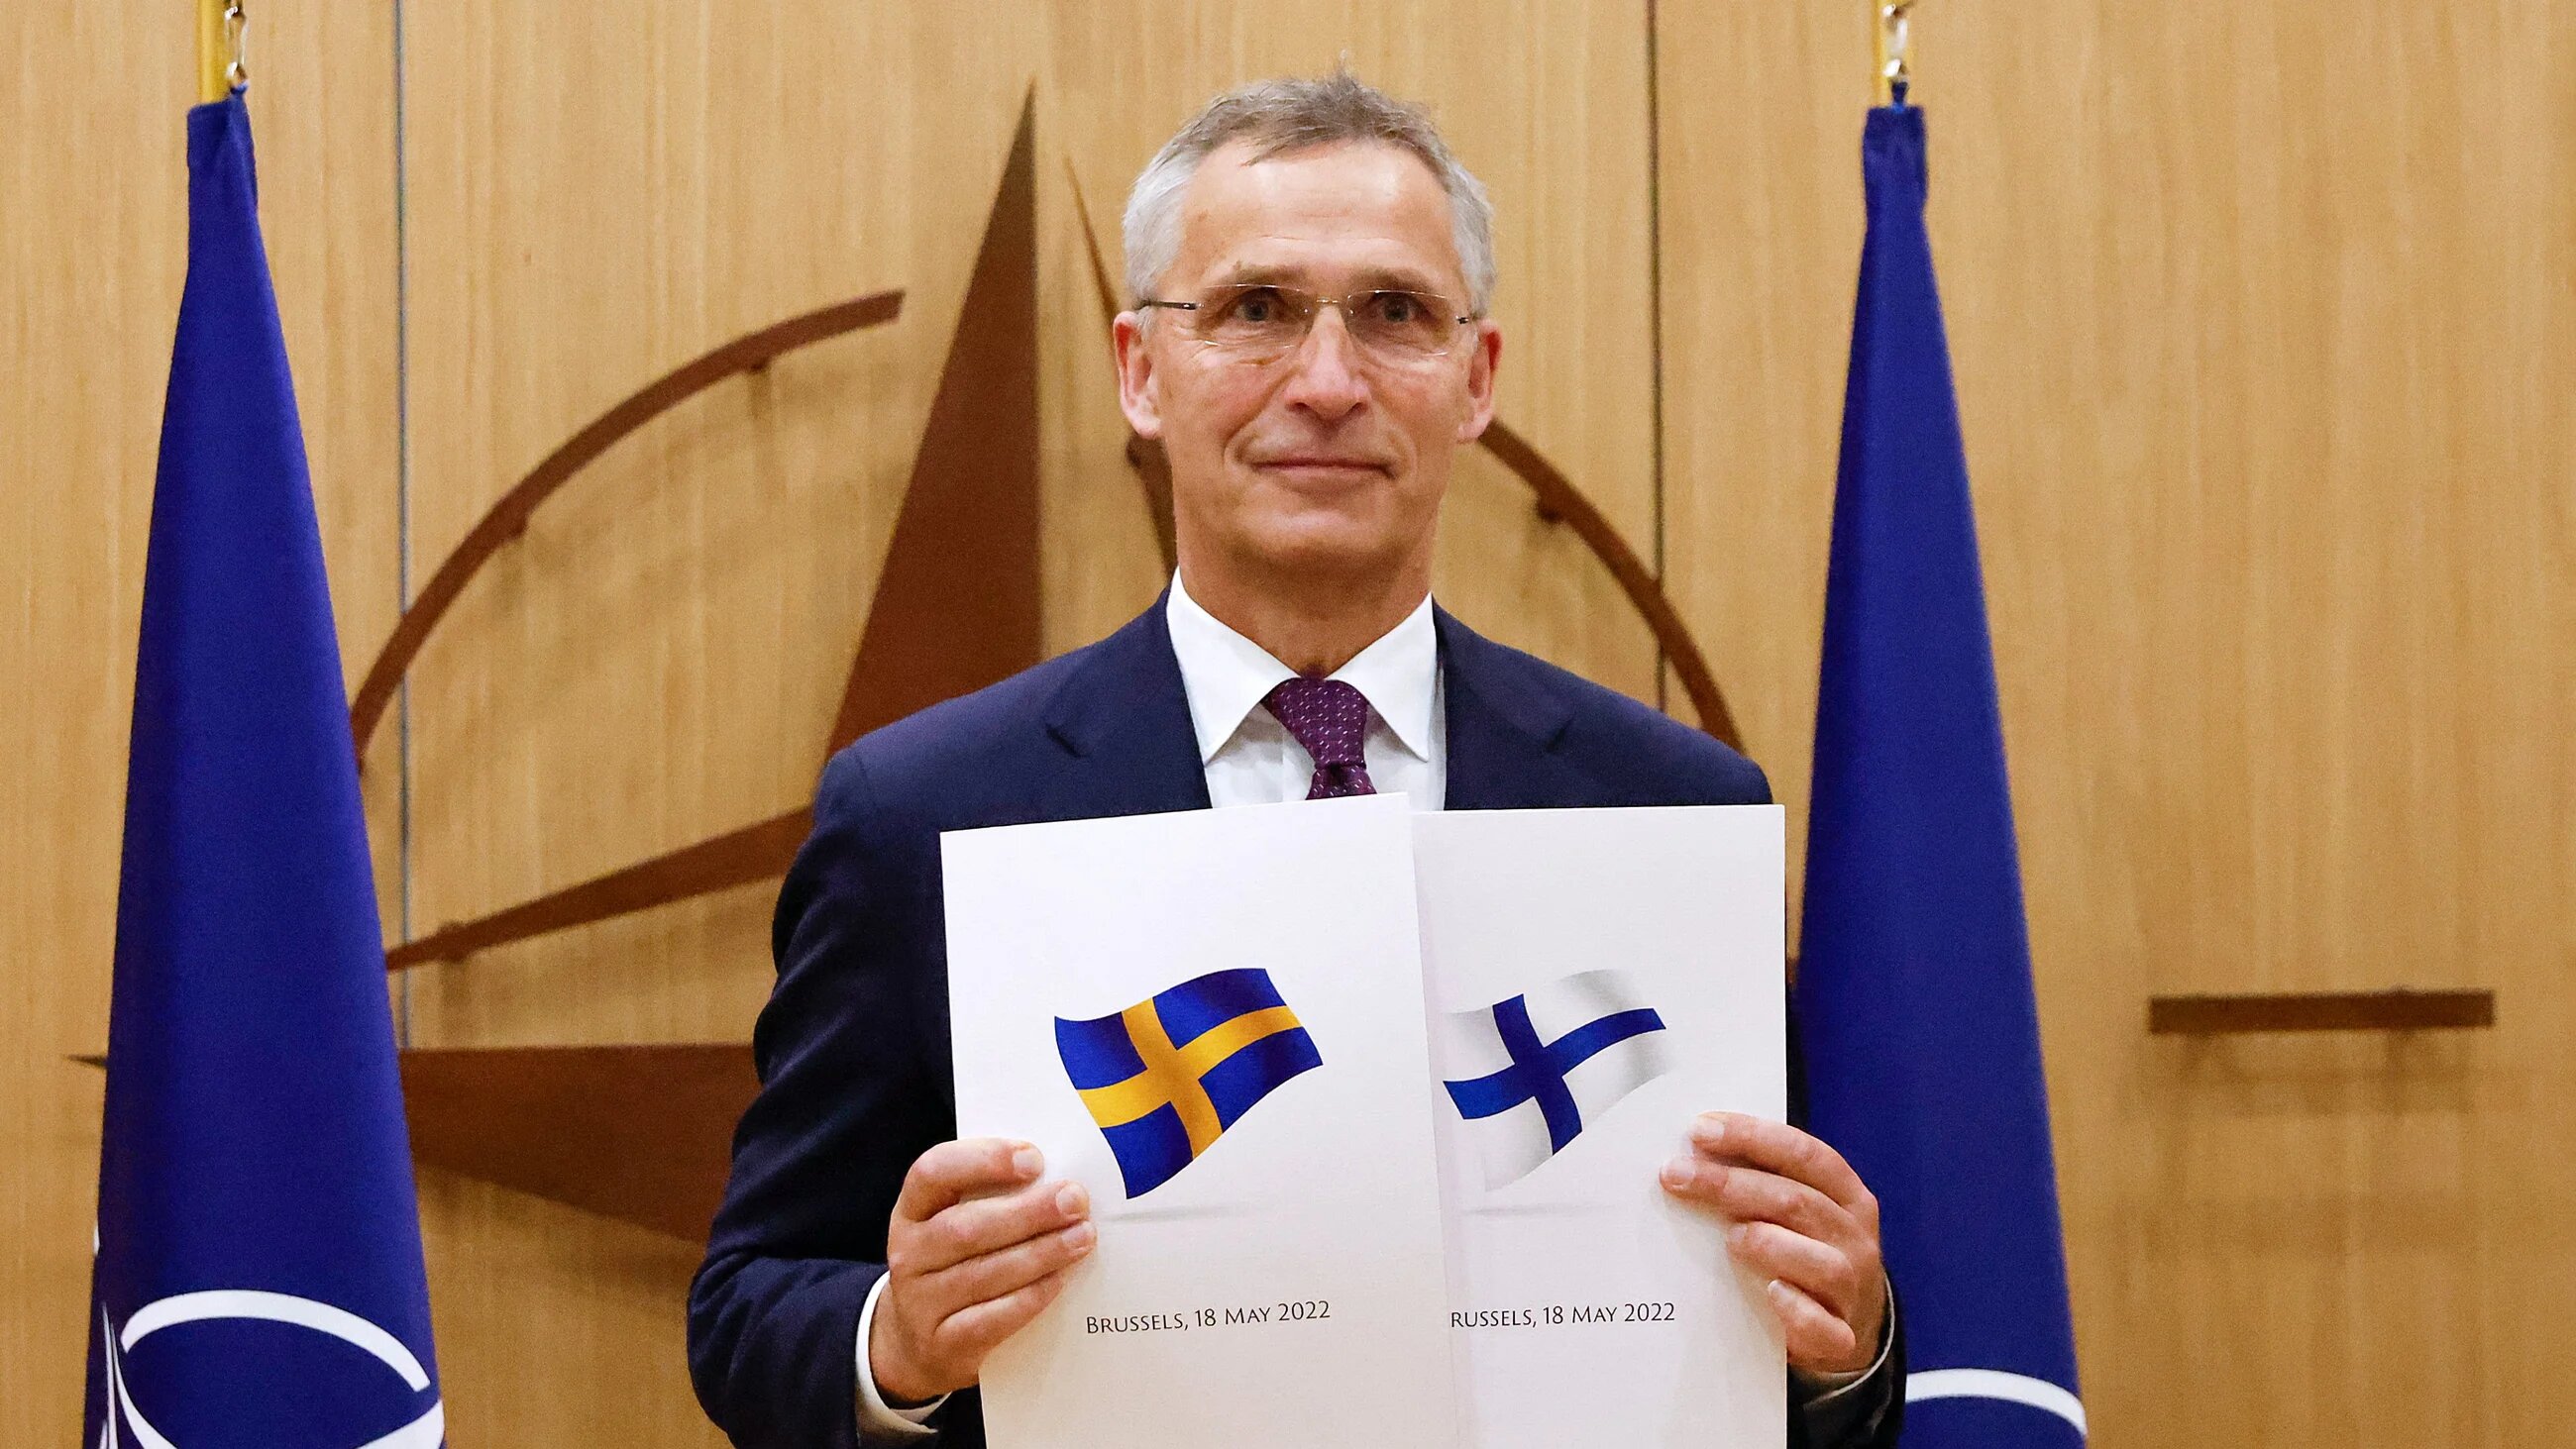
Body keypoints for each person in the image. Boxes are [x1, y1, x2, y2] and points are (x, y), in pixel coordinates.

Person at [689, 70, 1901, 1449]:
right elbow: (747, 1309)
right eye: (1255, 310)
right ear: (1142, 371)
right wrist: (895, 1343)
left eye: (1393, 314)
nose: (1325, 384)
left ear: (1476, 379)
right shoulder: (921, 815)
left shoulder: (1672, 811)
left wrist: (1846, 1341)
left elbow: (1801, 1353)